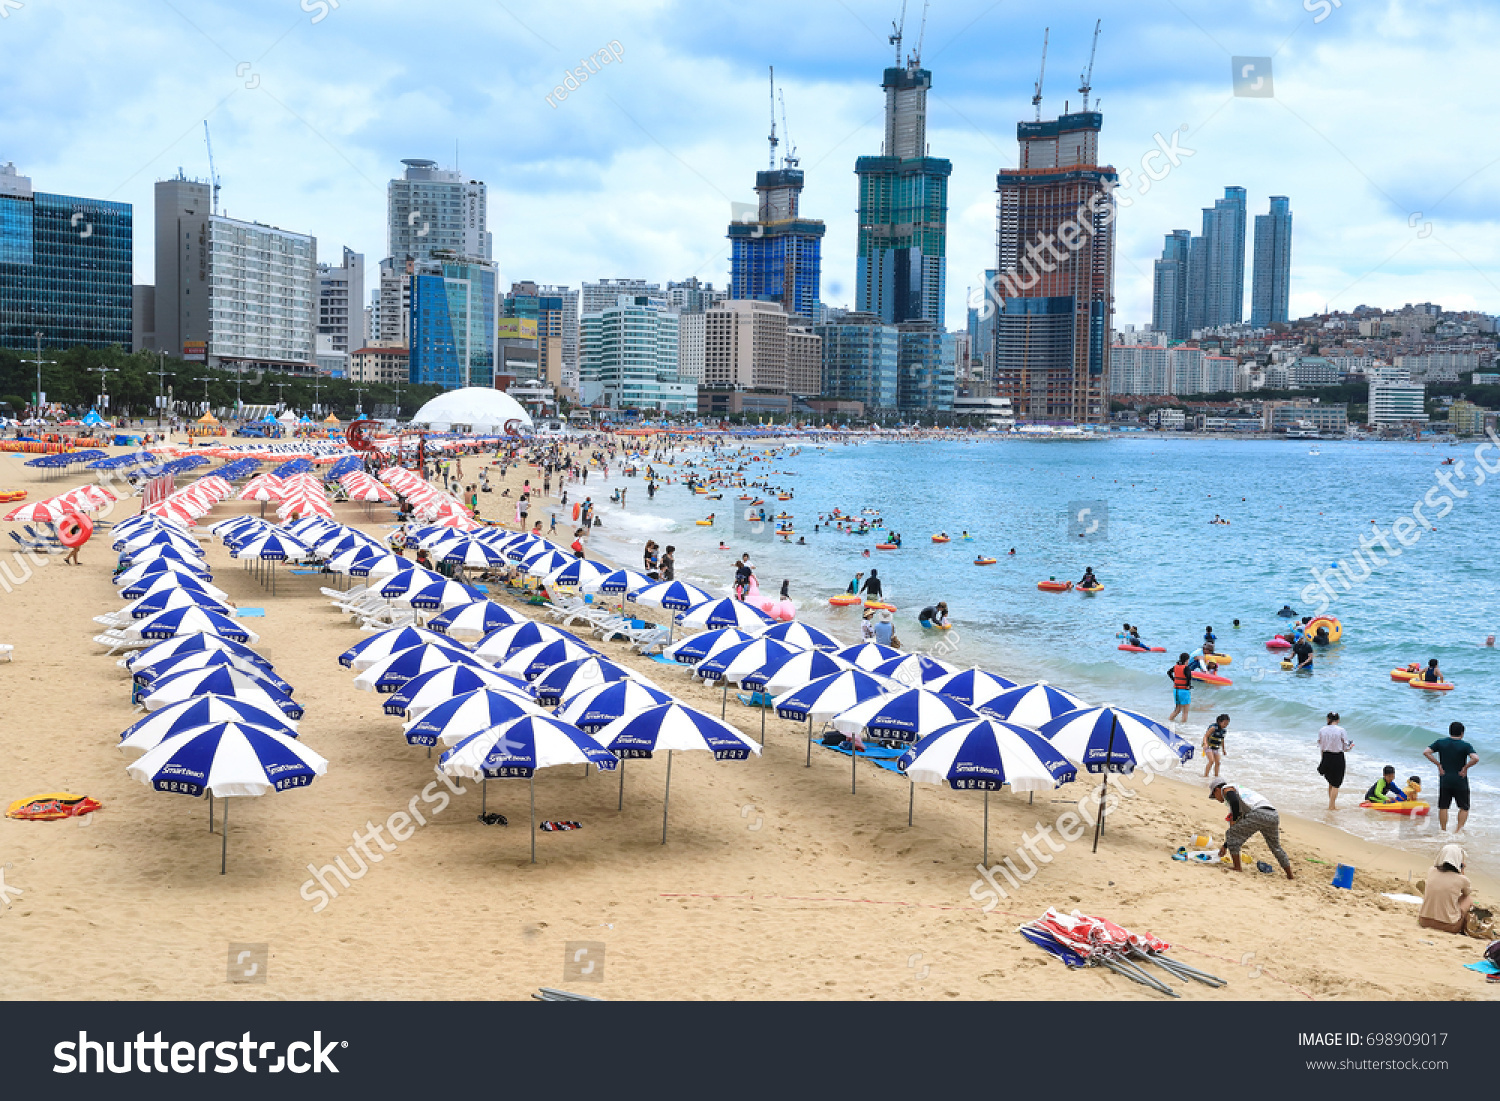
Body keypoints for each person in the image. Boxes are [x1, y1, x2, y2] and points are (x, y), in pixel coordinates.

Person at [1209, 780, 1295, 880]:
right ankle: (1290, 875)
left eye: (1214, 796)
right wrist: (1225, 846)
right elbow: (1237, 829)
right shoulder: (1242, 795)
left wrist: (1234, 818)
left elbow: (1234, 802)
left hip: (1259, 813)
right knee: (1275, 846)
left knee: (1231, 833)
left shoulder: (1227, 789)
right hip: (1273, 814)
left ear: (1217, 790)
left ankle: (1237, 867)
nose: (1216, 799)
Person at [1423, 721, 1479, 833]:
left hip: (1445, 779)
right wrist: (1465, 768)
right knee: (1464, 807)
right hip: (1460, 780)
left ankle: (1443, 830)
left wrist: (1438, 764)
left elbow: (1426, 752)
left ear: (1450, 731)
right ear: (1462, 733)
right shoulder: (1465, 745)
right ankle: (1458, 831)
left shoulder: (1440, 742)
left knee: (1443, 806)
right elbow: (1475, 758)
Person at [1417, 844, 1474, 934]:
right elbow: (1467, 893)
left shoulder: (1431, 871)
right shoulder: (1462, 879)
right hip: (1448, 926)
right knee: (1468, 899)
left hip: (1423, 921)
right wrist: (1462, 871)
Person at [1316, 712, 1353, 810]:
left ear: (1328, 719)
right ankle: (1331, 806)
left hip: (1326, 756)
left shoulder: (1322, 730)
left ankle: (1331, 804)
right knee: (1336, 783)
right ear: (1338, 720)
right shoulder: (1341, 730)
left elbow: (1321, 747)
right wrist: (1350, 747)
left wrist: (1323, 759)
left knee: (1330, 782)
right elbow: (1345, 747)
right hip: (1337, 757)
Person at [1168, 653, 1193, 723]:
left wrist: (1174, 680)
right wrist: (1188, 685)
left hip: (1176, 690)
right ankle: (1183, 727)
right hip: (1184, 691)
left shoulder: (1176, 666)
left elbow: (1169, 672)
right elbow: (1189, 677)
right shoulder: (1186, 668)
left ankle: (1169, 721)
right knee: (1185, 711)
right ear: (1186, 660)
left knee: (1177, 710)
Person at [1202, 713, 1229, 778]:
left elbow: (1222, 740)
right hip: (1208, 746)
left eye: (1227, 724)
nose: (1225, 725)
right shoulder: (1213, 728)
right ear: (1220, 722)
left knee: (1218, 763)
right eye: (1224, 723)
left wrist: (1223, 750)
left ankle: (1216, 777)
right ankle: (1205, 776)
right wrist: (1205, 744)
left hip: (1216, 748)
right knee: (1211, 761)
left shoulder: (1224, 731)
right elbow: (1205, 736)